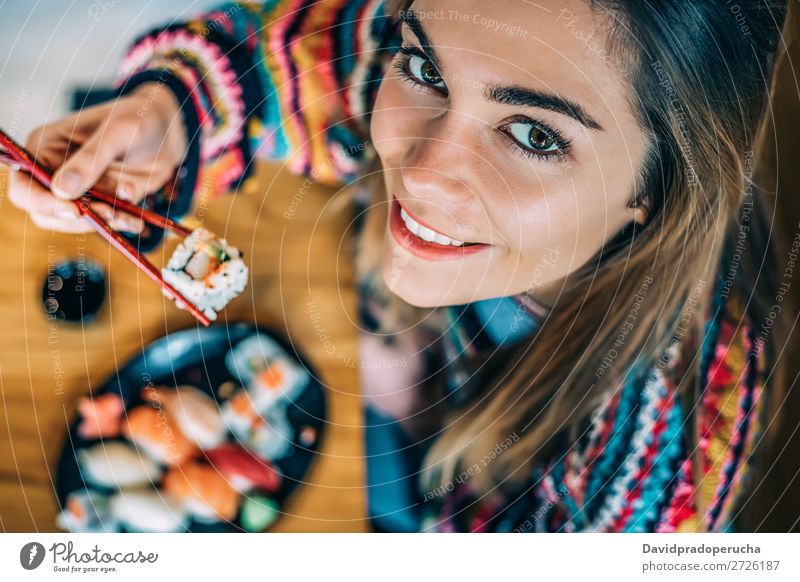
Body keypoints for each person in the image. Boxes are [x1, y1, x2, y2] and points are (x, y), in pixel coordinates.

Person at [7, 0, 795, 532]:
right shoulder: (469, 24)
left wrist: (411, 411)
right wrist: (168, 114)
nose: (417, 176)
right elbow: (278, 58)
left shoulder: (671, 448)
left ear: (656, 188)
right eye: (425, 73)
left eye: (535, 136)